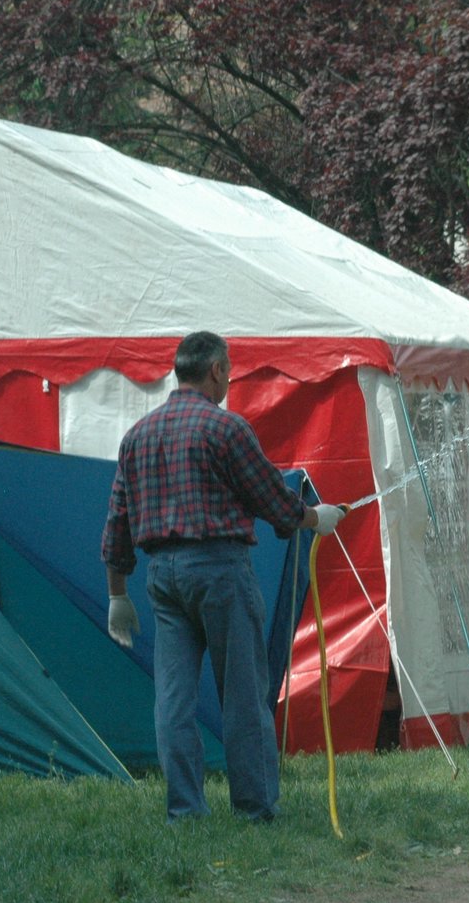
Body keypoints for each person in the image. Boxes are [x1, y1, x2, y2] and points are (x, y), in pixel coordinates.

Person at [101, 331, 345, 823]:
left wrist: (116, 594)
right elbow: (271, 499)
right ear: (215, 370)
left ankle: (185, 812)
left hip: (162, 578)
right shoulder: (226, 429)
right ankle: (254, 808)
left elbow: (118, 521)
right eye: (229, 369)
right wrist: (316, 518)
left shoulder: (137, 436)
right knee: (243, 695)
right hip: (219, 570)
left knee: (173, 701)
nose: (230, 377)